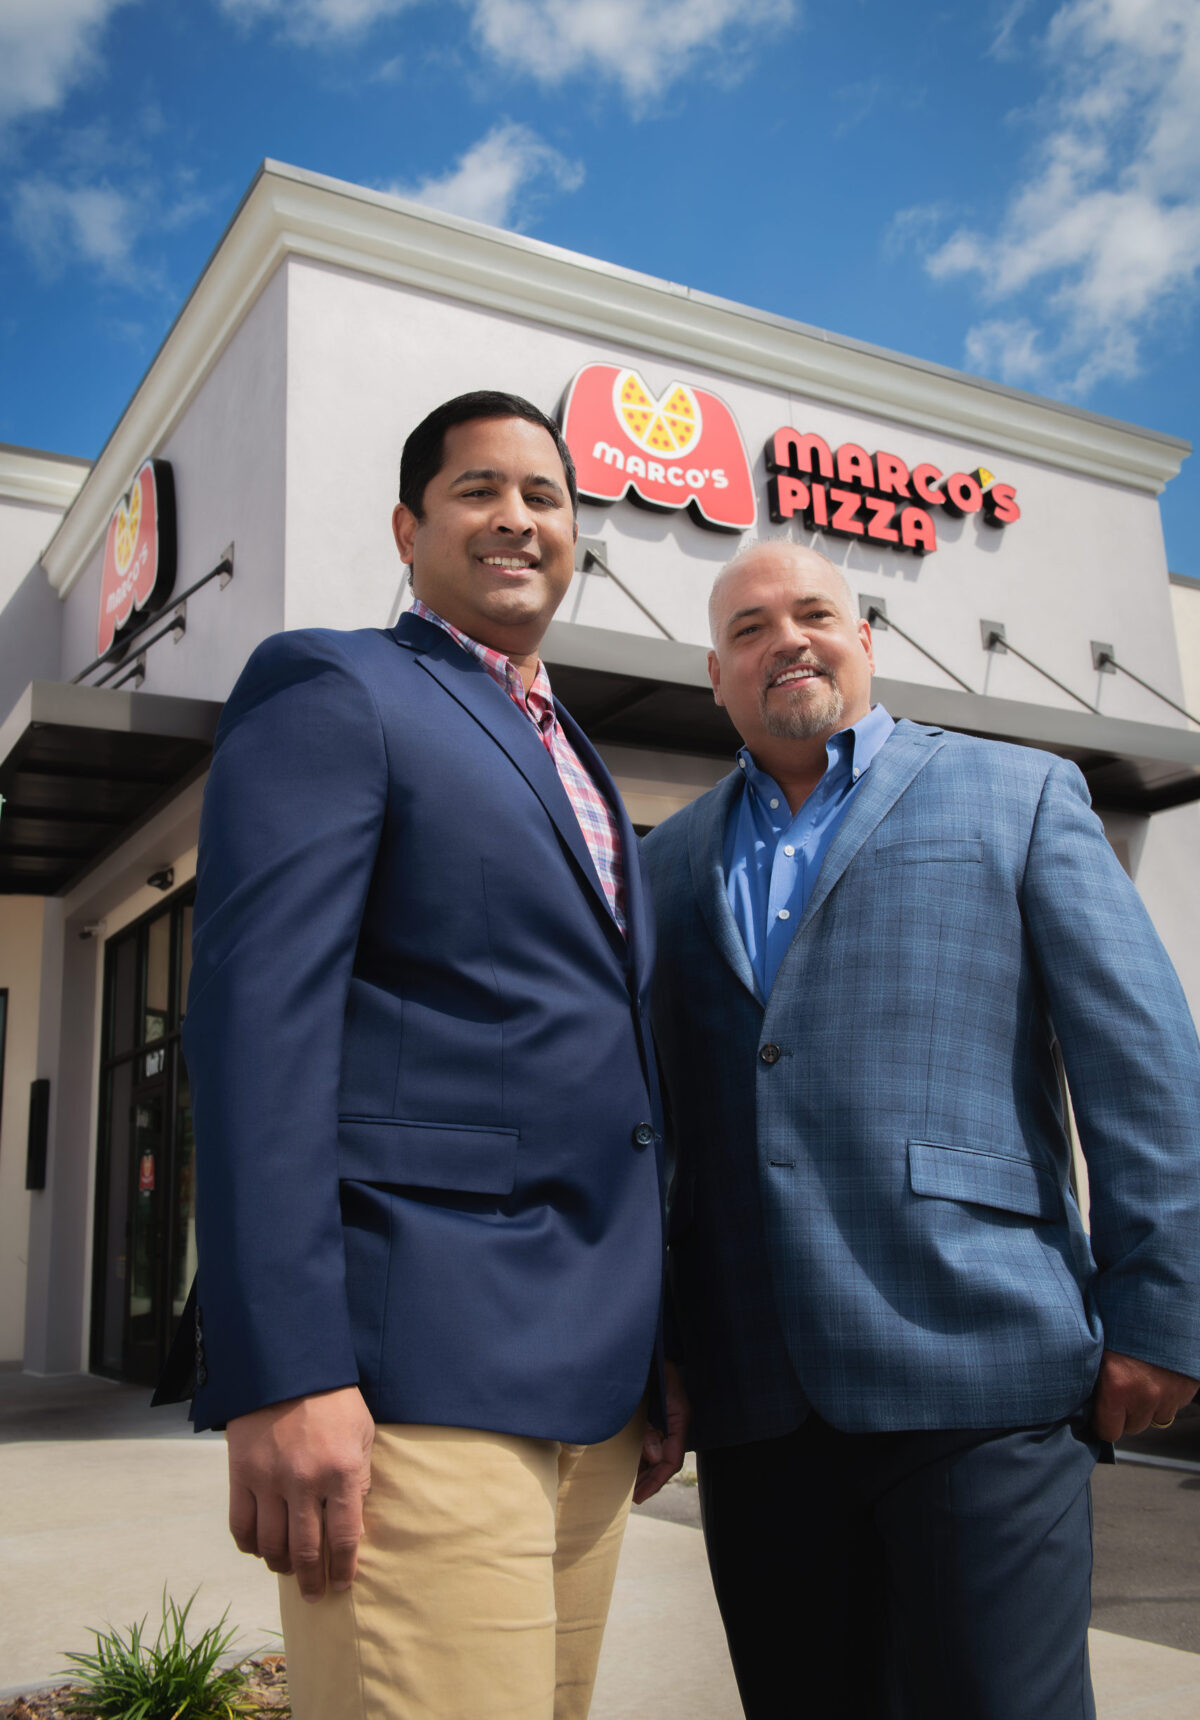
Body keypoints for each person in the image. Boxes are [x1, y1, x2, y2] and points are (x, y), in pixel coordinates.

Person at [164, 391, 684, 1720]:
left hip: (594, 1392)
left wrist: (659, 1348)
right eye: (478, 490)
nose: (518, 517)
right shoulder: (335, 686)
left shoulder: (576, 755)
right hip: (414, 1375)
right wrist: (286, 1366)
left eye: (546, 496)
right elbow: (259, 1031)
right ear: (409, 529)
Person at [641, 537, 1200, 1720]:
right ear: (714, 675)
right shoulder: (667, 861)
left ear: (864, 639)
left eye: (813, 614)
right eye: (748, 629)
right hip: (755, 1395)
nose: (786, 640)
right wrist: (662, 1346)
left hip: (981, 1367)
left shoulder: (1020, 793)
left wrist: (1161, 1308)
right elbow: (655, 1127)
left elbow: (1143, 1066)